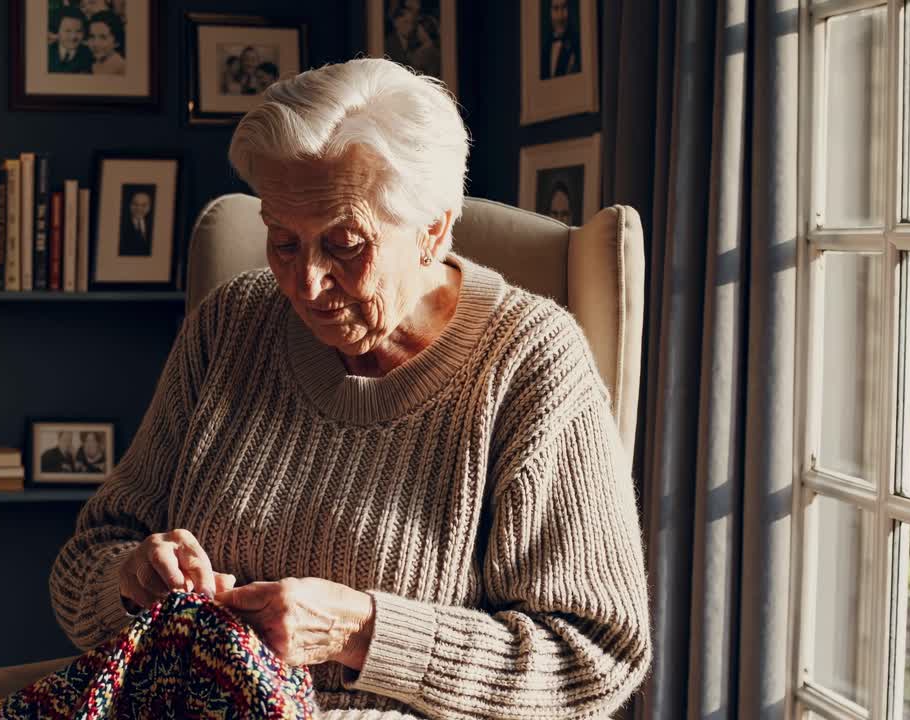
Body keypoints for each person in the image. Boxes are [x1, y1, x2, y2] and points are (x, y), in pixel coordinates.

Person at [49, 58, 650, 718]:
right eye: (282, 241)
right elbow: (86, 559)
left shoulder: (529, 363)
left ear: (433, 230)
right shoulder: (230, 324)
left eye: (343, 244)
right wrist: (133, 580)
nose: (305, 282)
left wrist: (361, 632)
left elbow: (594, 657)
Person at [542, 0, 581, 78]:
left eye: (564, 7)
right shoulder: (544, 47)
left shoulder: (578, 44)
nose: (560, 17)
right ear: (549, 12)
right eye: (556, 8)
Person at [48, 7, 93, 74]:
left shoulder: (89, 55)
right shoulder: (47, 52)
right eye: (68, 31)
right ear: (57, 31)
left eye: (79, 31)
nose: (73, 37)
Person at [87, 11, 125, 75]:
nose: (96, 44)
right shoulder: (94, 64)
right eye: (92, 37)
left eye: (103, 37)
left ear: (116, 42)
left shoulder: (121, 68)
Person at [118, 191, 152, 256]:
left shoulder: (153, 225)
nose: (139, 208)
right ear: (129, 205)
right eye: (135, 204)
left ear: (149, 207)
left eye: (144, 205)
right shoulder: (121, 224)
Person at [408, 14, 442, 78]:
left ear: (424, 31)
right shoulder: (437, 50)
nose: (417, 33)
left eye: (418, 30)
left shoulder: (421, 53)